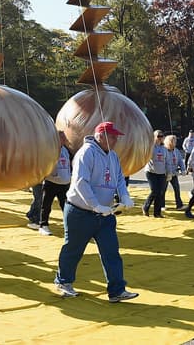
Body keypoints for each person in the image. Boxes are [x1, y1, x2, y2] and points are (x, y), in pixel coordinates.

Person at [52, 121, 138, 302]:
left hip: (105, 214)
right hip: (81, 212)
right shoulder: (86, 153)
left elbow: (119, 178)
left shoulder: (113, 156)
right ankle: (63, 281)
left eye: (116, 137)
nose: (115, 140)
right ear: (100, 136)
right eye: (112, 137)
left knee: (111, 252)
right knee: (73, 249)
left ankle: (117, 290)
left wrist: (124, 196)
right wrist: (95, 205)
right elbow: (80, 183)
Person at [38, 130, 72, 235]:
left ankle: (69, 225)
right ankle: (43, 225)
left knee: (66, 206)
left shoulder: (66, 150)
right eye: (63, 138)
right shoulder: (50, 150)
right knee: (46, 205)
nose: (65, 139)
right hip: (51, 182)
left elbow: (69, 164)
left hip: (64, 183)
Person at [141, 129, 170, 217]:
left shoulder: (164, 149)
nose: (160, 138)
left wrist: (169, 172)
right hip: (151, 172)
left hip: (161, 172)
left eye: (162, 136)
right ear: (154, 137)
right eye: (158, 136)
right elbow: (144, 157)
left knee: (160, 192)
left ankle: (157, 212)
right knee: (154, 190)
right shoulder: (151, 147)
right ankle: (146, 207)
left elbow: (167, 161)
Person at [167, 135, 186, 209]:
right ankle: (161, 205)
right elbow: (165, 163)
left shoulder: (176, 151)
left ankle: (179, 205)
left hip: (174, 173)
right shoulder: (165, 150)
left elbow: (180, 161)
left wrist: (183, 169)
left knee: (177, 188)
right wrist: (169, 172)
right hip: (166, 173)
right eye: (173, 141)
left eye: (175, 141)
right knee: (163, 190)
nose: (175, 143)